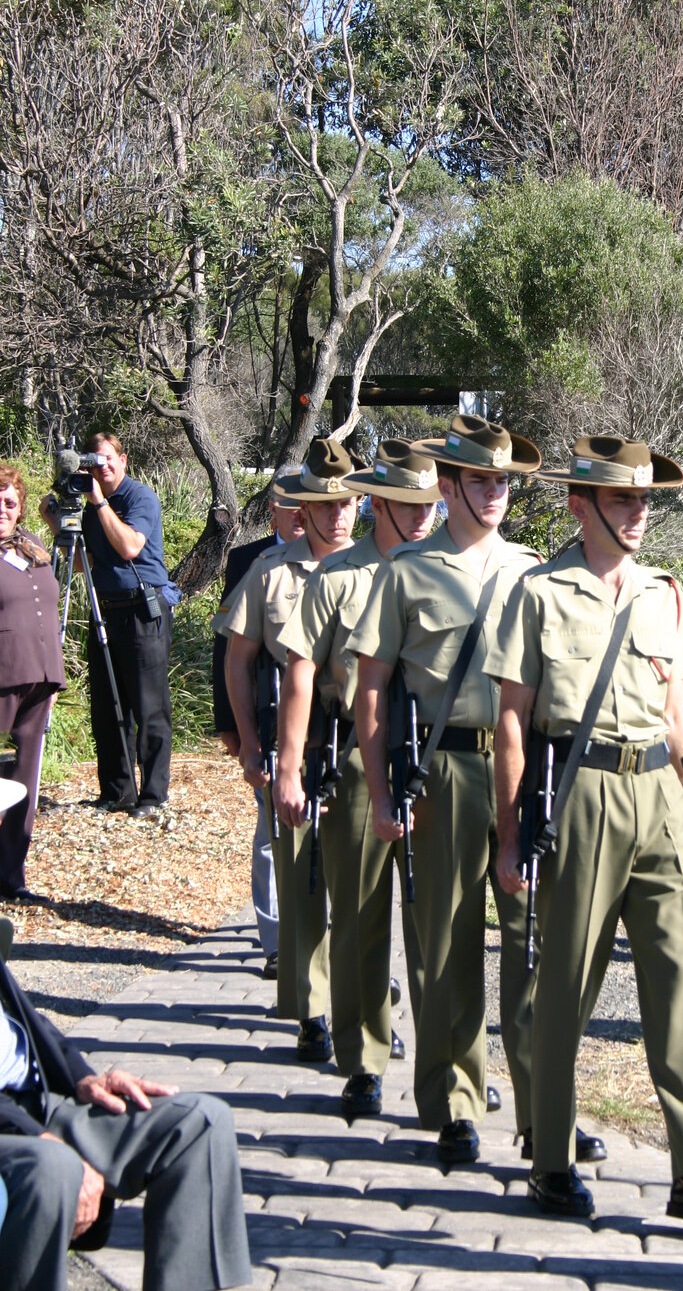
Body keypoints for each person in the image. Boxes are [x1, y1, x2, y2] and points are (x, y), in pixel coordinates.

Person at [489, 434, 683, 1226]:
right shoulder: (538, 592)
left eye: (646, 500)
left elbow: (679, 714)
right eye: (622, 499)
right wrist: (511, 836)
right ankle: (548, 1157)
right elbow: (513, 725)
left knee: (674, 980)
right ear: (581, 506)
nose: (639, 512)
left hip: (654, 793)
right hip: (578, 796)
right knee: (567, 983)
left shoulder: (663, 594)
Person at [351, 414, 550, 1164]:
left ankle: (542, 1112)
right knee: (449, 939)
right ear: (451, 484)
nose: (495, 492)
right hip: (446, 770)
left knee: (532, 943)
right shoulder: (406, 573)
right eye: (481, 480)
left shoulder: (532, 570)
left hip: (525, 768)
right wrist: (379, 791)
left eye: (503, 481)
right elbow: (370, 691)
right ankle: (454, 1101)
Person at [0, 777, 252, 1291]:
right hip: (15, 1128)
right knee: (52, 1169)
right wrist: (38, 1137)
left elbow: (21, 1023)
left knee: (199, 1122)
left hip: (34, 1104)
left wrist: (83, 1079)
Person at [273, 440, 439, 1118]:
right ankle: (364, 1058)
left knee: (437, 922)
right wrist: (288, 766)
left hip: (435, 756)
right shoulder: (337, 577)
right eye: (410, 504)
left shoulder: (446, 572)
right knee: (362, 915)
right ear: (378, 504)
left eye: (432, 504)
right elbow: (300, 672)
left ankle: (447, 1065)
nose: (425, 516)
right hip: (355, 754)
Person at [222, 437, 357, 1061]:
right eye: (325, 505)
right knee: (301, 875)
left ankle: (359, 993)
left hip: (360, 742)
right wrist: (251, 744)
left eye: (347, 502)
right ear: (304, 507)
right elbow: (239, 659)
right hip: (292, 740)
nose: (337, 515)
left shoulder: (379, 569)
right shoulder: (271, 571)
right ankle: (310, 1006)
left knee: (360, 879)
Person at [42, 431, 173, 817]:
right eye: (94, 461)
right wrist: (55, 523)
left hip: (142, 611)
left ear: (123, 460)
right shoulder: (89, 506)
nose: (101, 467)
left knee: (149, 707)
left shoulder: (138, 498)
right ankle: (117, 792)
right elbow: (86, 564)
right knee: (107, 704)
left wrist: (98, 501)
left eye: (107, 459)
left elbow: (131, 546)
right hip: (106, 611)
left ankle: (153, 796)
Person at [212, 475, 304, 978]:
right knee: (270, 832)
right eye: (288, 506)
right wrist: (231, 726)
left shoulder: (344, 558)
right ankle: (274, 941)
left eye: (303, 505)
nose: (298, 514)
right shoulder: (249, 561)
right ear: (272, 510)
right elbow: (226, 652)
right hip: (266, 718)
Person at [0, 466, 65, 900]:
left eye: (9, 502)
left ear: (21, 507)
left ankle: (11, 874)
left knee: (26, 778)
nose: (2, 509)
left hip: (40, 675)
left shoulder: (33, 547)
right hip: (3, 673)